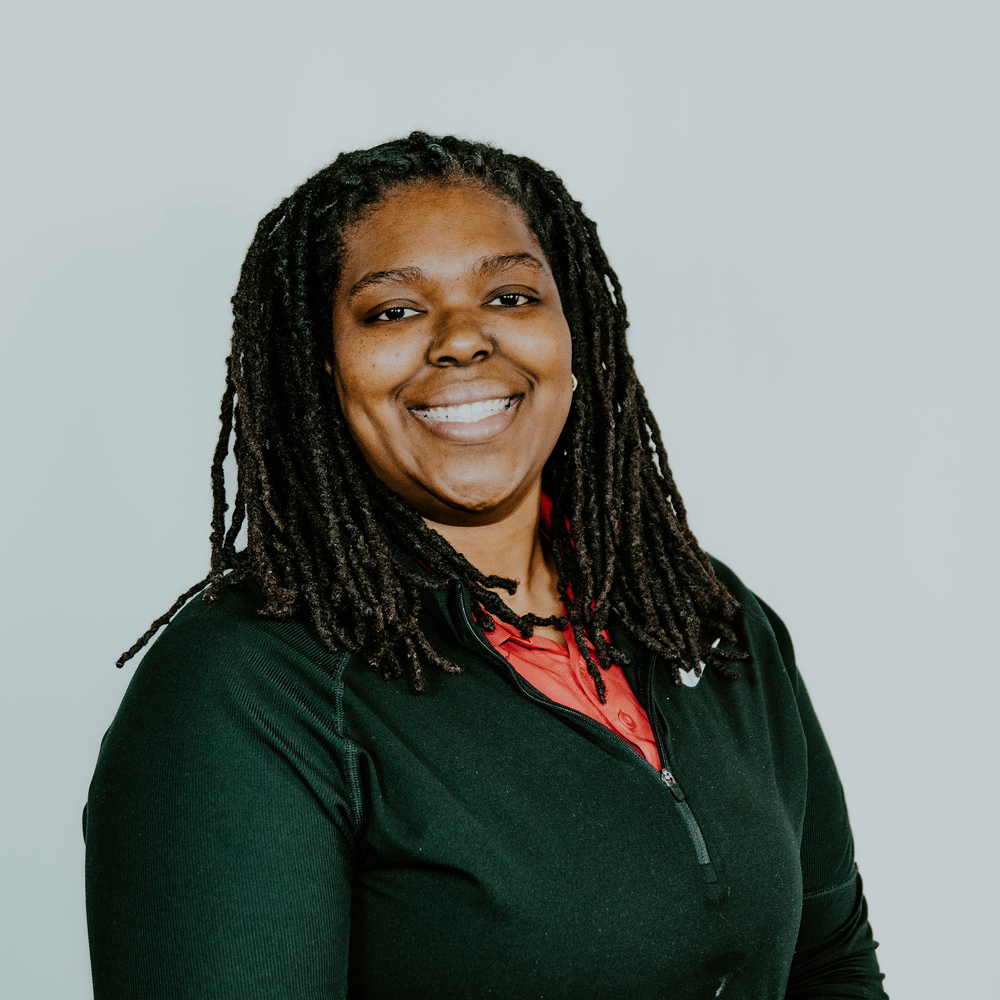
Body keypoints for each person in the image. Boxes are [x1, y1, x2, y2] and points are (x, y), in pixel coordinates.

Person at [84, 132, 887, 999]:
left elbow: (829, 964)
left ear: (574, 334)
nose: (463, 340)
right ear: (323, 369)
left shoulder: (707, 618)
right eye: (393, 311)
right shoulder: (245, 688)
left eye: (509, 296)